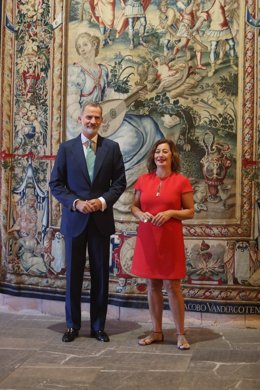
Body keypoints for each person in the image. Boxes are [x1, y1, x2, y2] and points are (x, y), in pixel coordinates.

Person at [49, 101, 126, 343]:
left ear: (102, 121)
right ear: (80, 119)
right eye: (88, 117)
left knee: (101, 276)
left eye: (97, 118)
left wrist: (102, 201)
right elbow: (56, 184)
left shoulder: (111, 148)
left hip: (100, 222)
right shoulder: (67, 149)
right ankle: (72, 326)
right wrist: (76, 203)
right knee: (73, 275)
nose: (92, 121)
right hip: (74, 221)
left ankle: (97, 327)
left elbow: (119, 183)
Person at [131, 138, 194, 349]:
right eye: (157, 151)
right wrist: (141, 214)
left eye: (165, 151)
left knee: (173, 286)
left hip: (170, 238)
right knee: (152, 285)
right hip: (148, 237)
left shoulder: (181, 181)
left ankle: (180, 334)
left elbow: (190, 211)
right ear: (153, 156)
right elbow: (134, 206)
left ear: (172, 156)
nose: (160, 155)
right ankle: (157, 332)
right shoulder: (143, 180)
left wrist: (170, 213)